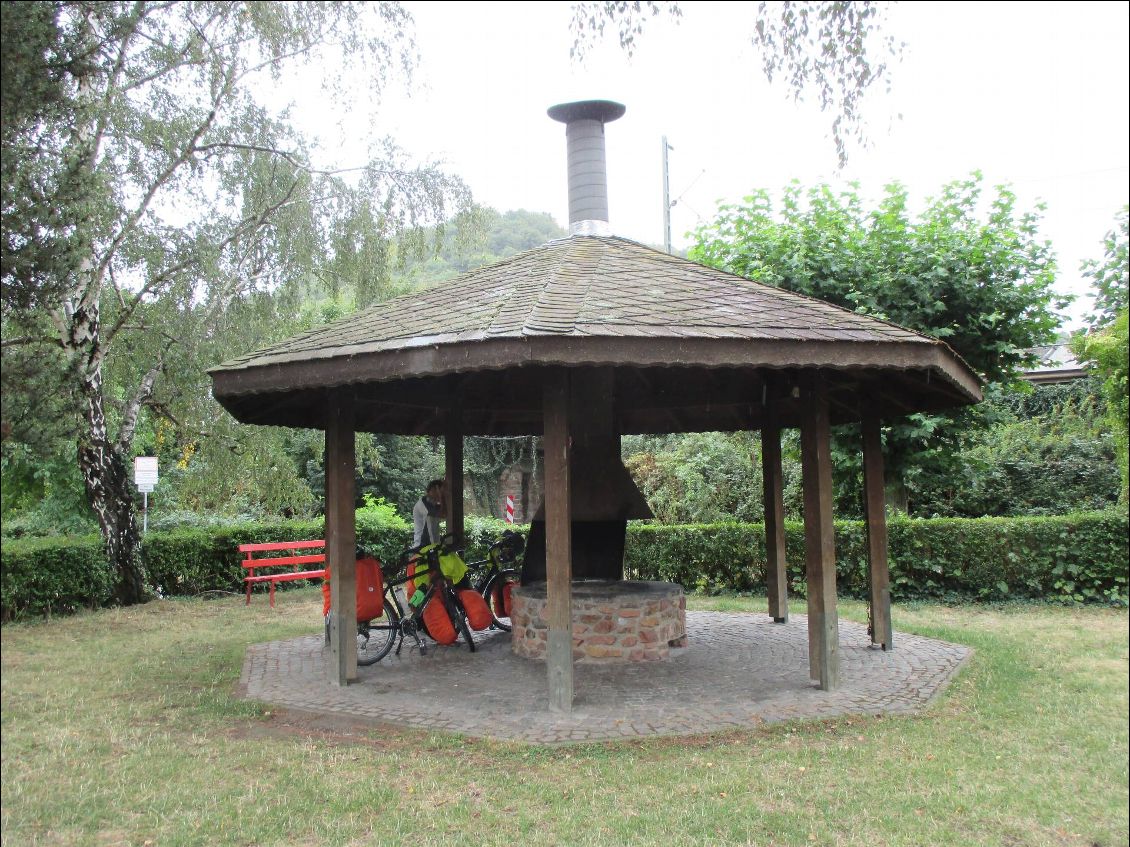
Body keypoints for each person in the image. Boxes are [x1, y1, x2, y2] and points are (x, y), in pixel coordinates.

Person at [412, 479, 445, 548]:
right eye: (441, 491)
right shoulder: (423, 503)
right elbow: (442, 514)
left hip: (432, 545)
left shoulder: (433, 504)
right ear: (433, 489)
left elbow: (444, 514)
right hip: (422, 545)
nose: (443, 493)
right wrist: (441, 497)